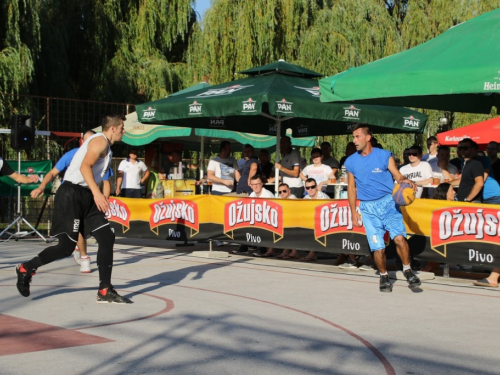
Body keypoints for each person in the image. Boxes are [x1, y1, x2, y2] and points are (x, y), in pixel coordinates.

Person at [16, 114, 132, 303]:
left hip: (86, 195)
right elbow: (85, 167)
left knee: (107, 236)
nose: (123, 131)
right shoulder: (100, 142)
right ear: (112, 128)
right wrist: (97, 193)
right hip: (71, 193)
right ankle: (26, 268)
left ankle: (104, 290)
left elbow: (98, 176)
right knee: (66, 247)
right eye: (121, 128)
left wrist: (96, 194)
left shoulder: (106, 146)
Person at [345, 124, 420, 292]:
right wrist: (353, 212)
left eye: (357, 137)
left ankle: (408, 270)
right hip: (368, 208)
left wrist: (405, 180)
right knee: (378, 247)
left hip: (388, 204)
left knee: (400, 238)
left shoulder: (384, 155)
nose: (354, 140)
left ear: (368, 137)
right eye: (353, 137)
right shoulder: (351, 161)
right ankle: (384, 276)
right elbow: (351, 188)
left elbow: (397, 175)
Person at [30, 129, 113, 273]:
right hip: (71, 197)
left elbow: (106, 182)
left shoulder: (102, 151)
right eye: (87, 140)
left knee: (106, 236)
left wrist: (104, 199)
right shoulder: (72, 154)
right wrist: (42, 186)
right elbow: (52, 172)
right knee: (70, 240)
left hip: (89, 196)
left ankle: (104, 287)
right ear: (82, 141)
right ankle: (84, 256)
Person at [420, 182, 456, 272]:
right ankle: (430, 264)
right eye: (452, 190)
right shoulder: (435, 206)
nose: (454, 192)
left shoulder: (456, 205)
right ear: (445, 193)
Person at [300, 178, 329, 262]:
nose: (310, 189)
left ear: (316, 187)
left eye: (312, 187)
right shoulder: (306, 198)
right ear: (305, 189)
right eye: (308, 188)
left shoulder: (323, 197)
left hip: (325, 221)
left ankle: (311, 253)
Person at [275, 183, 299, 260]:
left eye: (284, 191)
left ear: (289, 191)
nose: (282, 193)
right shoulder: (279, 199)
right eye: (280, 192)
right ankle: (285, 250)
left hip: (296, 222)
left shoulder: (293, 198)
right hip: (285, 221)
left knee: (289, 227)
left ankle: (294, 251)